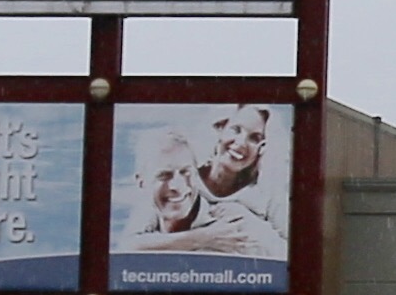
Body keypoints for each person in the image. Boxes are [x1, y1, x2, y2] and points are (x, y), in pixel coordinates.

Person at [121, 129, 263, 252]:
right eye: (164, 175)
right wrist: (203, 237)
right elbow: (126, 248)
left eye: (186, 172)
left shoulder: (234, 224)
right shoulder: (148, 217)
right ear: (141, 182)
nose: (177, 186)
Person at [192, 103, 290, 253]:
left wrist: (249, 223)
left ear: (263, 148)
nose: (241, 143)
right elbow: (143, 243)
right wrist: (204, 237)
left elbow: (291, 252)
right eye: (236, 130)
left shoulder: (267, 194)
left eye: (254, 138)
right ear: (220, 128)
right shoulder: (184, 177)